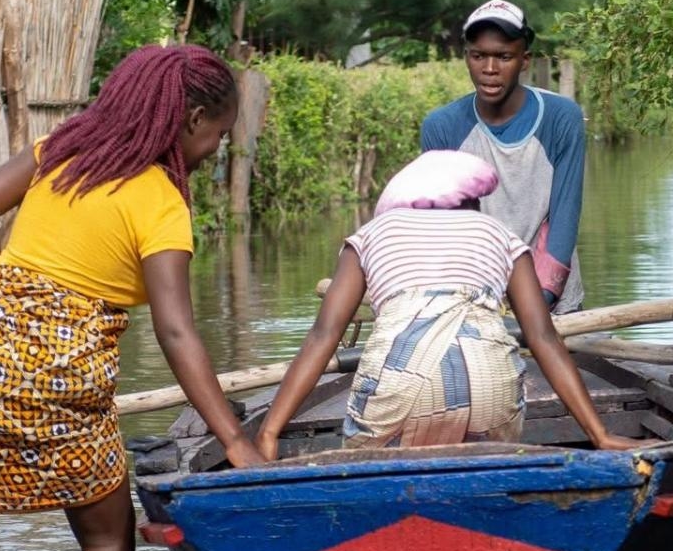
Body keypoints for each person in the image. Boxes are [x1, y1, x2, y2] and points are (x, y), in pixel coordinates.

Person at [0, 43, 266, 551]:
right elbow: (176, 332)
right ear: (193, 119)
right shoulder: (161, 202)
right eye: (220, 133)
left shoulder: (64, 150)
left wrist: (6, 302)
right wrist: (236, 440)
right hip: (53, 372)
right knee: (107, 533)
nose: (218, 148)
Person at [256, 150, 645, 459]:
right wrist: (599, 434)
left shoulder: (371, 234)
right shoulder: (500, 235)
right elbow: (543, 338)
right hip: (490, 396)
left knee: (364, 452)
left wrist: (270, 431)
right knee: (495, 403)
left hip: (395, 396)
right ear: (471, 203)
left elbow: (323, 336)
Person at [421, 0, 587, 313]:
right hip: (473, 301)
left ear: (524, 60)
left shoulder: (561, 117)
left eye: (504, 57)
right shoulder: (442, 127)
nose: (490, 69)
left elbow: (564, 215)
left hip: (552, 300)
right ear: (466, 57)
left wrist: (539, 301)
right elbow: (446, 229)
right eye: (478, 56)